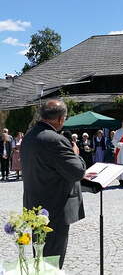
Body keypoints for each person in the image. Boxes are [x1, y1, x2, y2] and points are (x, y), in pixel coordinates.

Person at [20, 99, 86, 269]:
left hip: (35, 206)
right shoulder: (55, 140)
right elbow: (77, 171)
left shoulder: (29, 136)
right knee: (52, 261)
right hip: (55, 209)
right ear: (60, 119)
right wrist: (75, 154)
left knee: (41, 255)